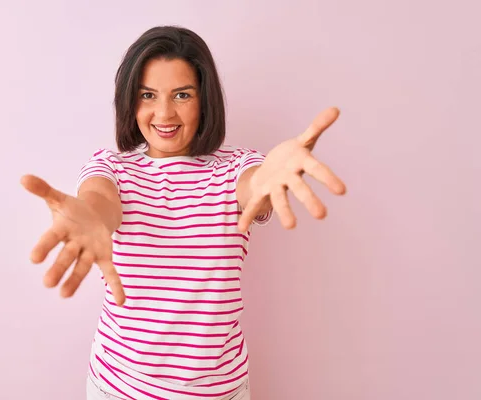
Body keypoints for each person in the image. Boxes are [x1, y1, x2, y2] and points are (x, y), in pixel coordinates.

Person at [20, 25, 346, 400]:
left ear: (204, 100)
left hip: (219, 391)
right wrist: (90, 216)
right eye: (148, 95)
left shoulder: (235, 167)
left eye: (182, 94)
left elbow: (257, 185)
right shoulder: (112, 168)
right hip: (119, 388)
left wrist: (274, 173)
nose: (164, 113)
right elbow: (100, 200)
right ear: (130, 101)